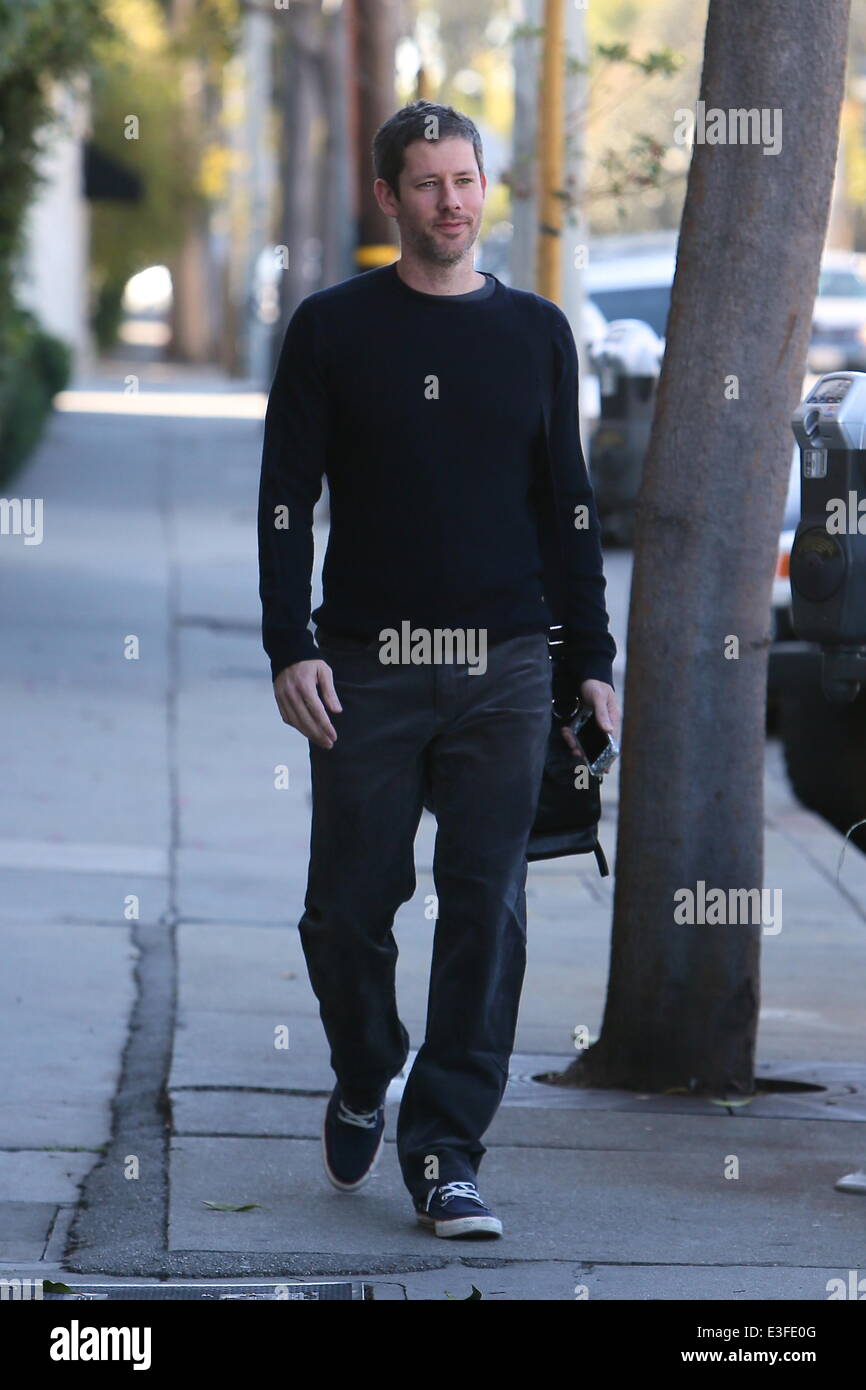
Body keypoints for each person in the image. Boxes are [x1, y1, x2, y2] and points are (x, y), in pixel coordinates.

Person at [257, 100, 620, 1239]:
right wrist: (289, 644)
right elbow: (284, 500)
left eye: (464, 180)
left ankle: (447, 1151)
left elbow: (567, 509)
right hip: (362, 666)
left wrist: (590, 663)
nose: (449, 201)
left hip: (503, 663)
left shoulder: (535, 334)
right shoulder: (330, 328)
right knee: (344, 912)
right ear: (388, 197)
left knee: (486, 907)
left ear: (483, 189)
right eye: (424, 183)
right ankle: (367, 1062)